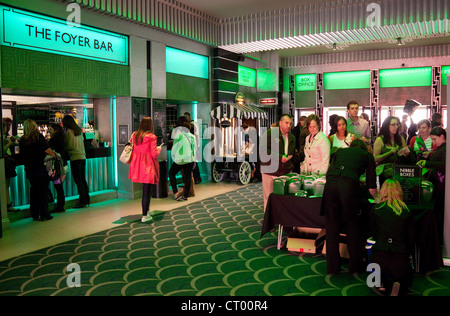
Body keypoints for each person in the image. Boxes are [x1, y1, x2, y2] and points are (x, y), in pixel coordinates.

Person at [322, 139, 378, 275]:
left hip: (330, 185)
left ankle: (332, 267)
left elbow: (330, 171)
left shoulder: (340, 151)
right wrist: (378, 199)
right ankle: (355, 266)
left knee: (332, 228)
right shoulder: (367, 155)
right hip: (348, 187)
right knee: (352, 226)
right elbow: (371, 186)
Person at [370, 179, 414, 296]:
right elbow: (410, 238)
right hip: (400, 256)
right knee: (406, 281)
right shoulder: (406, 211)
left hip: (379, 256)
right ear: (399, 192)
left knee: (371, 278)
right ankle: (398, 282)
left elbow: (374, 235)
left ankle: (380, 283)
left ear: (382, 191)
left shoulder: (376, 209)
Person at [19, 119, 57, 221]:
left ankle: (34, 214)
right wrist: (55, 155)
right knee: (43, 191)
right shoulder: (38, 137)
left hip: (30, 170)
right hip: (41, 168)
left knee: (34, 192)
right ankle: (44, 214)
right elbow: (46, 149)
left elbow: (22, 156)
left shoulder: (22, 140)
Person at [128, 116, 161, 223]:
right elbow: (153, 154)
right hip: (148, 166)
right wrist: (159, 149)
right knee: (147, 191)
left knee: (145, 190)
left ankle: (146, 211)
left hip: (137, 166)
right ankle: (145, 215)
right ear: (150, 125)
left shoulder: (134, 135)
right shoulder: (151, 137)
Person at [259, 114, 296, 211]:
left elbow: (291, 154)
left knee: (282, 198)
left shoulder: (292, 137)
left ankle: (281, 221)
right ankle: (269, 223)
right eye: (286, 123)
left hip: (284, 171)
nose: (289, 125)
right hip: (269, 170)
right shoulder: (270, 133)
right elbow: (263, 151)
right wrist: (280, 157)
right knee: (269, 197)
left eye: (290, 123)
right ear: (280, 123)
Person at [417, 127, 446, 245]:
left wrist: (427, 163)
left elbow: (444, 165)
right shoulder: (441, 148)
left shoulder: (445, 149)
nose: (433, 142)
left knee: (440, 212)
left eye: (434, 139)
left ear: (442, 137)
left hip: (441, 184)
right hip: (438, 183)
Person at [373, 116, 411, 186]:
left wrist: (406, 153)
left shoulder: (400, 138)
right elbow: (375, 158)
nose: (396, 127)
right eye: (393, 125)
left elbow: (407, 153)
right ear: (387, 126)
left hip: (399, 172)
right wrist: (389, 152)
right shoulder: (380, 139)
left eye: (397, 124)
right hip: (385, 173)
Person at [62, 115, 90, 208]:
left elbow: (68, 145)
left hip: (74, 157)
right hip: (82, 156)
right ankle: (86, 199)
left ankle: (82, 201)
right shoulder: (79, 131)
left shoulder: (68, 132)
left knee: (78, 180)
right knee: (82, 179)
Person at [169, 117, 196, 202]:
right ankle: (185, 196)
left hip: (181, 160)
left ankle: (176, 193)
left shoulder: (179, 136)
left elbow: (174, 148)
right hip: (190, 159)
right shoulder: (192, 136)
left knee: (171, 173)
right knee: (188, 176)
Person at [48, 124, 67, 213]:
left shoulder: (54, 140)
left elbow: (50, 152)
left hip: (56, 166)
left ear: (56, 130)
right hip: (62, 165)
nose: (49, 130)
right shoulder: (62, 139)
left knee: (58, 186)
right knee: (59, 186)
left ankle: (60, 206)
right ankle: (61, 205)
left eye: (51, 129)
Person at [2, 119, 17, 212]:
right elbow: (2, 150)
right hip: (5, 163)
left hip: (6, 162)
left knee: (6, 185)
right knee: (5, 185)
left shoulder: (5, 136)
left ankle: (7, 204)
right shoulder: (3, 137)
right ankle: (7, 205)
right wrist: (9, 144)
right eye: (6, 125)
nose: (8, 127)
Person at [184, 112, 202, 184]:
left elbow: (196, 135)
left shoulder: (193, 124)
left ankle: (197, 177)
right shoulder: (190, 124)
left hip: (194, 145)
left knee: (193, 162)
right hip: (194, 145)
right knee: (193, 162)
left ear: (189, 117)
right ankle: (195, 178)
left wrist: (196, 146)